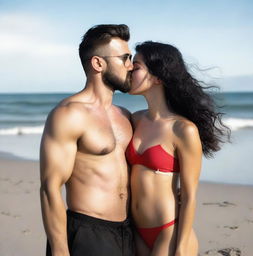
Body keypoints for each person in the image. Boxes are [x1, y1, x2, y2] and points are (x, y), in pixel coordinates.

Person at [126, 41, 230, 255]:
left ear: (157, 77)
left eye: (136, 67)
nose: (129, 69)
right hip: (136, 230)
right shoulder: (134, 120)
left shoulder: (183, 129)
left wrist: (181, 247)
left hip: (169, 231)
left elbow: (190, 195)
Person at [40, 24, 135, 256]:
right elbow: (50, 187)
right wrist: (60, 248)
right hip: (88, 232)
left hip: (129, 231)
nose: (131, 66)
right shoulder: (69, 114)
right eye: (125, 58)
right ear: (98, 63)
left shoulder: (125, 115)